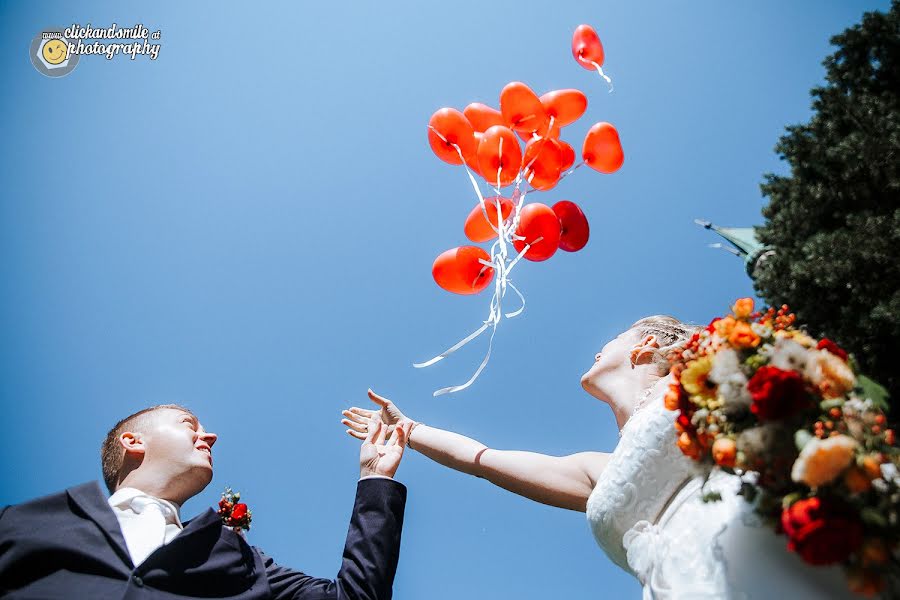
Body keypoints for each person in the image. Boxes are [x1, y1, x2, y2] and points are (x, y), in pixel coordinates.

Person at [342, 316, 858, 599]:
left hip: (779, 559)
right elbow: (482, 458)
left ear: (646, 346)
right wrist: (409, 429)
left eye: (612, 338)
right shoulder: (597, 470)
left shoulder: (709, 387)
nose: (597, 349)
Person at [0, 404, 412, 599]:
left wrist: (375, 477)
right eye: (188, 424)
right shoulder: (22, 524)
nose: (209, 436)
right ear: (133, 441)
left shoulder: (243, 562)